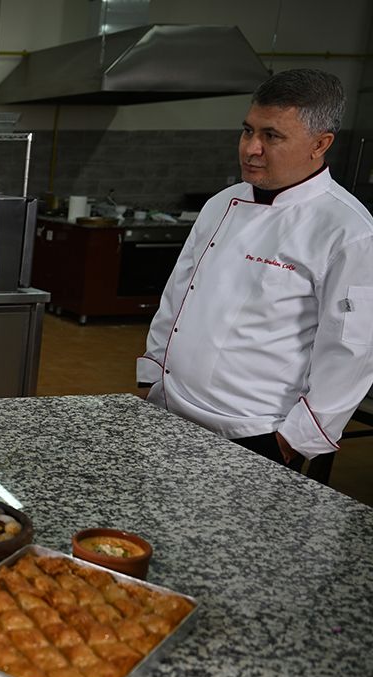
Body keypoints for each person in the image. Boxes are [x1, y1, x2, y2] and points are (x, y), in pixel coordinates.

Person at [138, 68, 373, 469]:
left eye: (272, 136)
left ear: (320, 143)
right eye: (248, 131)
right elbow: (178, 295)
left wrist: (293, 439)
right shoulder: (221, 203)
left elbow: (351, 351)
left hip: (254, 433)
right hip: (170, 409)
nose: (251, 149)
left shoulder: (349, 232)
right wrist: (152, 374)